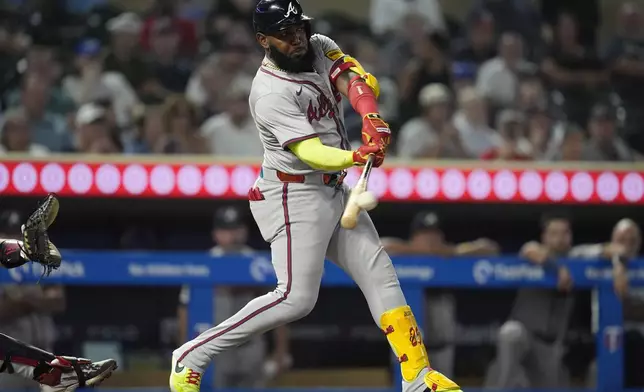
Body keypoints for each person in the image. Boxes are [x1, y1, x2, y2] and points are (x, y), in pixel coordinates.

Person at [170, 1, 461, 392]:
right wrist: (358, 154)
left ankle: (417, 376)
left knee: (380, 273)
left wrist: (370, 115)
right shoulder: (269, 91)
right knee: (295, 298)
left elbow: (355, 79)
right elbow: (309, 153)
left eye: (300, 28)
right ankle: (192, 354)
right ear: (263, 40)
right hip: (293, 193)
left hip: (332, 188)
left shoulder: (318, 44)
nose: (297, 39)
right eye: (286, 34)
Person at [0, 195, 117, 392]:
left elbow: (57, 300)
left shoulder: (36, 262)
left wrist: (22, 301)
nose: (15, 237)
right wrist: (35, 301)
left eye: (17, 234)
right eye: (8, 232)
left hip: (42, 350)